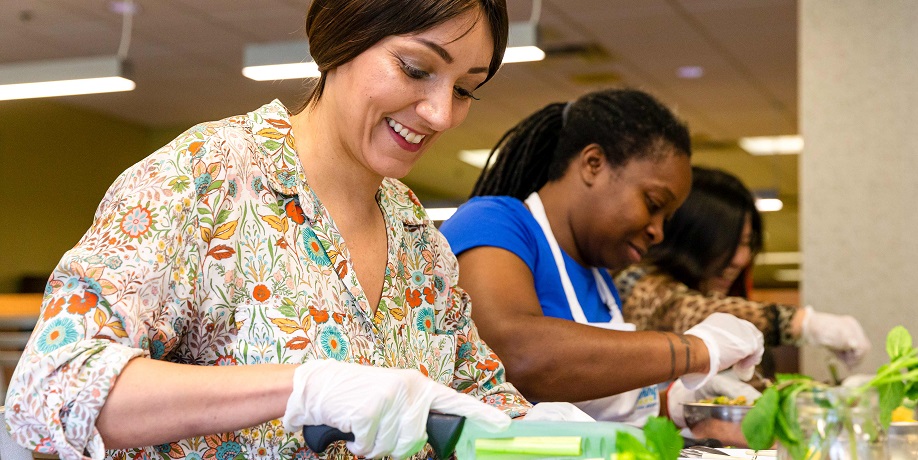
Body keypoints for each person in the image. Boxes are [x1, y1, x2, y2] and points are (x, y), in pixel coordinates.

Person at [6, 2, 532, 460]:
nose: (441, 113)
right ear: (339, 40)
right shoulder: (206, 177)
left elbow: (473, 397)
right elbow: (52, 387)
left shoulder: (419, 240)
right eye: (416, 69)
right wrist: (303, 389)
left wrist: (542, 432)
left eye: (466, 90)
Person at [439, 88, 765, 427]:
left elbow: (592, 400)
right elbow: (515, 355)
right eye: (653, 204)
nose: (659, 232)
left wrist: (677, 404)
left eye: (666, 219)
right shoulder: (493, 222)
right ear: (593, 164)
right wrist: (694, 350)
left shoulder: (601, 281)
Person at [615, 166, 871, 370]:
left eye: (747, 243)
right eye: (729, 244)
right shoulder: (639, 284)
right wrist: (804, 323)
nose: (741, 258)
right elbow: (687, 310)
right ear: (692, 240)